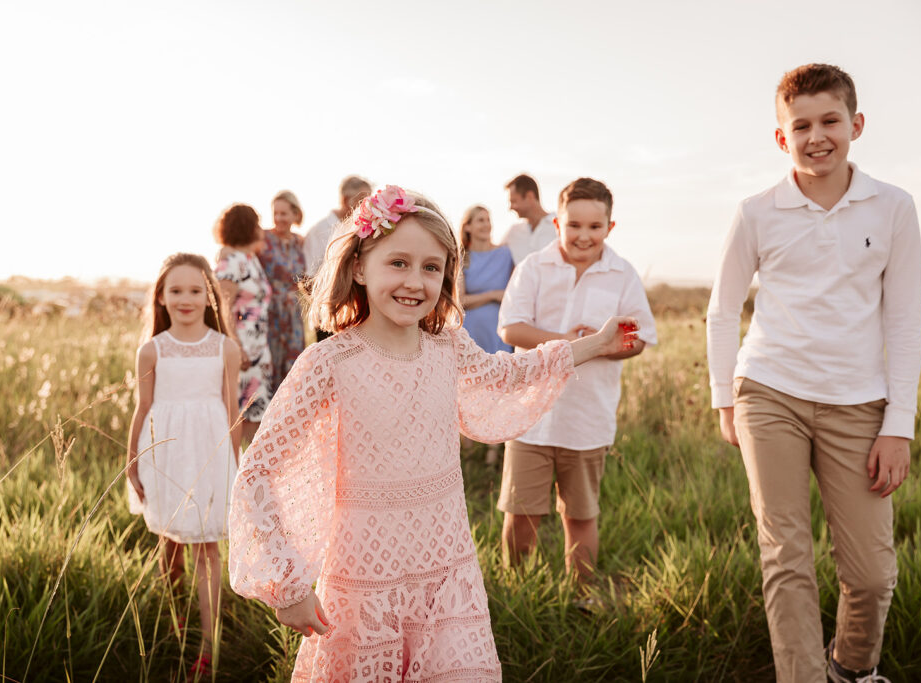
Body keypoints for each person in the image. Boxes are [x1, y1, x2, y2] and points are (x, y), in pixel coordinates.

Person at [227, 185, 639, 681]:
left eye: (431, 267)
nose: (415, 281)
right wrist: (287, 586)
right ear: (359, 267)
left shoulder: (447, 347)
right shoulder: (328, 363)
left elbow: (506, 378)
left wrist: (595, 344)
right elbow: (258, 470)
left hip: (446, 568)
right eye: (397, 263)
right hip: (365, 577)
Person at [706, 64, 921, 683]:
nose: (816, 136)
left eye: (830, 121)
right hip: (768, 392)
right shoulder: (756, 212)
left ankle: (850, 671)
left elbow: (905, 320)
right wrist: (725, 399)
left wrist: (898, 426)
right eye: (800, 125)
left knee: (873, 572)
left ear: (855, 125)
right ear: (782, 137)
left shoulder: (894, 207)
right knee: (787, 554)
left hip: (859, 404)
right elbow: (722, 311)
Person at [497, 177, 657, 586]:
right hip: (531, 415)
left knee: (580, 514)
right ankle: (517, 590)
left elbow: (638, 340)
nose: (583, 236)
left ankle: (580, 595)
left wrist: (602, 345)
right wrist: (567, 343)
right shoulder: (534, 267)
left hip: (588, 418)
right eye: (574, 226)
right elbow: (511, 329)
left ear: (610, 228)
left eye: (594, 227)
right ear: (557, 224)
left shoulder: (622, 274)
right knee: (522, 513)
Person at [126, 253, 242, 676]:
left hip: (210, 454)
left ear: (210, 296)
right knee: (170, 541)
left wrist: (235, 469)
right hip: (164, 453)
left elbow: (232, 413)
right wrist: (132, 461)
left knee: (207, 546)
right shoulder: (151, 350)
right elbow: (143, 409)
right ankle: (173, 615)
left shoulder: (225, 349)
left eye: (196, 290)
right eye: (176, 290)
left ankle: (208, 645)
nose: (186, 298)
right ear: (160, 296)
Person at [213, 203, 273, 447]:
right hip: (242, 350)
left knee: (257, 414)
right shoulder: (232, 262)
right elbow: (222, 308)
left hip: (259, 350)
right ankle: (237, 473)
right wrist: (236, 346)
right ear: (248, 227)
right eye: (257, 223)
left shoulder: (251, 260)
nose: (262, 229)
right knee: (244, 415)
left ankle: (249, 474)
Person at [458, 205, 514, 464]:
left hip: (499, 331)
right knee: (469, 388)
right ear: (467, 226)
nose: (486, 224)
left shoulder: (505, 254)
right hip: (471, 332)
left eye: (488, 219)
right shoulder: (463, 258)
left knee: (499, 387)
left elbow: (514, 294)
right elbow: (461, 301)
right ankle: (468, 448)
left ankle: (494, 451)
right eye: (480, 220)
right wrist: (493, 295)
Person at [303, 175, 373, 342]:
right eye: (363, 200)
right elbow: (308, 278)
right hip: (331, 317)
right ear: (345, 199)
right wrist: (330, 309)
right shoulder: (319, 231)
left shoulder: (364, 230)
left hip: (362, 315)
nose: (368, 206)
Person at [258, 190, 307, 392]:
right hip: (270, 312)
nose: (278, 218)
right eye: (275, 213)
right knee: (271, 365)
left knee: (294, 369)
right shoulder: (262, 239)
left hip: (293, 313)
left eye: (284, 213)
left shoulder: (300, 242)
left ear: (295, 214)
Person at [502, 173, 556, 266]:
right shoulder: (513, 232)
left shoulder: (560, 227)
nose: (510, 207)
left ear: (529, 196)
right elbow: (490, 252)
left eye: (514, 201)